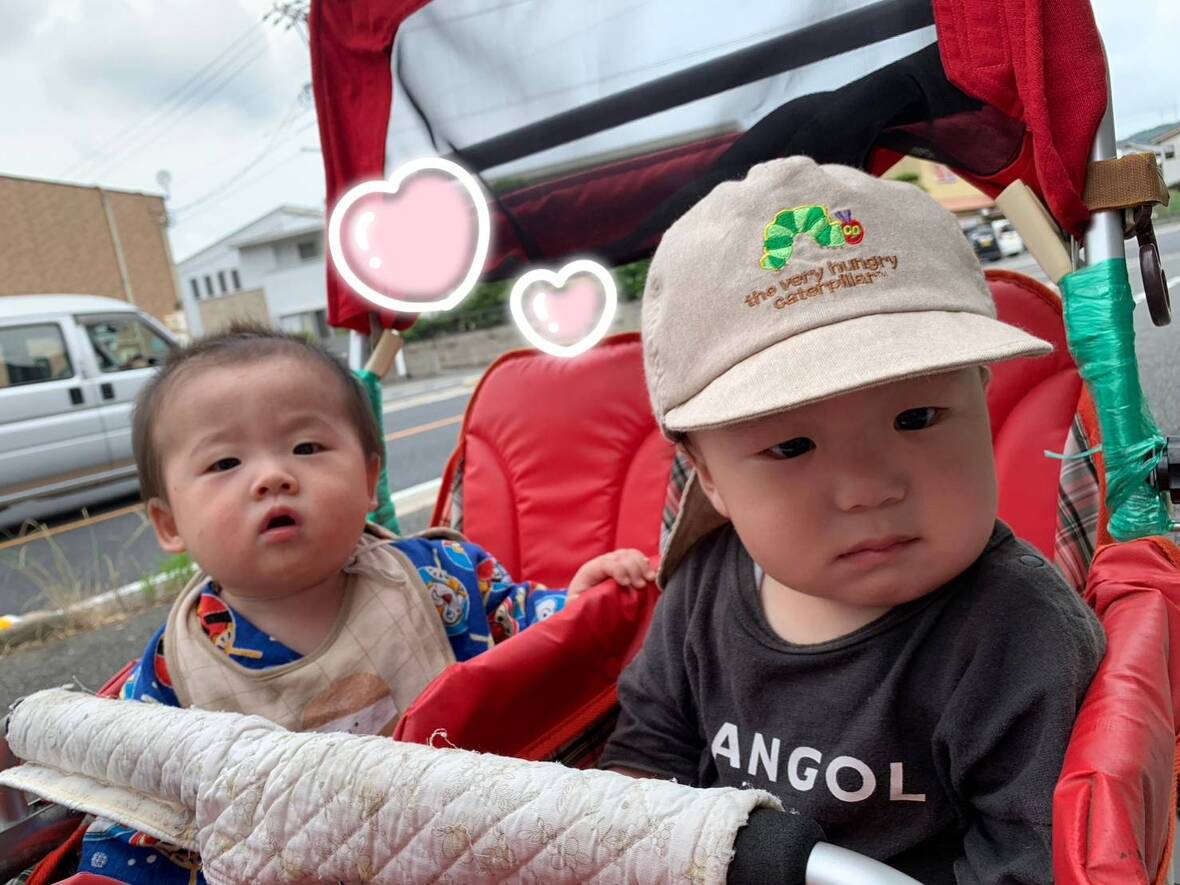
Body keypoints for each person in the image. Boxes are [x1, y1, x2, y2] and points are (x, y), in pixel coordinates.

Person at [598, 157, 1105, 884]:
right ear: (708, 477)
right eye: (791, 446)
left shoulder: (1019, 635)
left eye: (916, 416)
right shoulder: (701, 590)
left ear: (981, 392)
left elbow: (1032, 861)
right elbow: (644, 764)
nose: (869, 489)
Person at [77, 324, 655, 883]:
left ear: (369, 478)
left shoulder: (436, 578)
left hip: (466, 844)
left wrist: (576, 601)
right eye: (225, 463)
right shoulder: (170, 673)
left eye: (306, 447)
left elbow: (525, 627)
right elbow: (134, 808)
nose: (273, 477)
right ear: (170, 523)